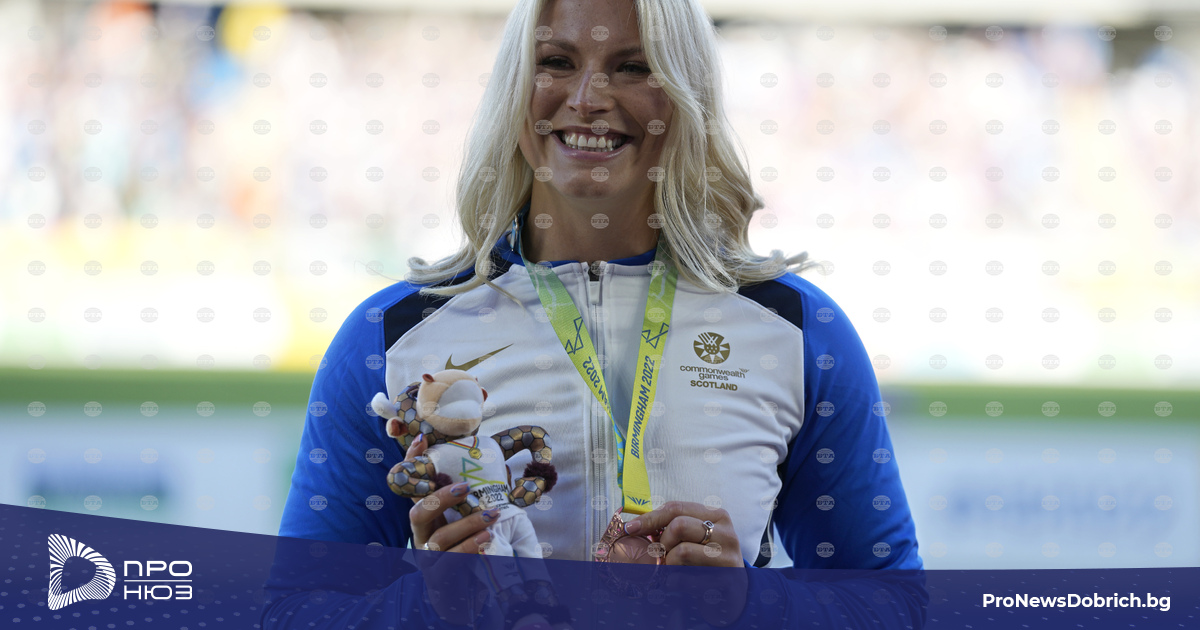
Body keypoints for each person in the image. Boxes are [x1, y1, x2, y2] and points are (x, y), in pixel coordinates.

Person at [278, 0, 921, 578]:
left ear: (687, 94)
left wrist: (750, 606)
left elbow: (892, 603)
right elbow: (300, 609)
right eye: (556, 62)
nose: (588, 98)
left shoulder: (796, 330)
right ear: (513, 88)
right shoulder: (390, 336)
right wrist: (426, 607)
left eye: (635, 67)